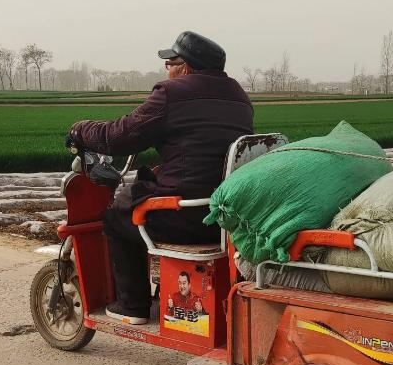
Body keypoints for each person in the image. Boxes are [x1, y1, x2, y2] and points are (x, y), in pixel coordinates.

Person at [66, 31, 253, 324]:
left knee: (117, 218)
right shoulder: (238, 96)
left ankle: (133, 305)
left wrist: (81, 130)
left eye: (170, 62)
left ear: (186, 67)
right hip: (224, 217)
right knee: (146, 192)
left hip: (186, 218)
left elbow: (119, 136)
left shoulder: (172, 94)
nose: (166, 69)